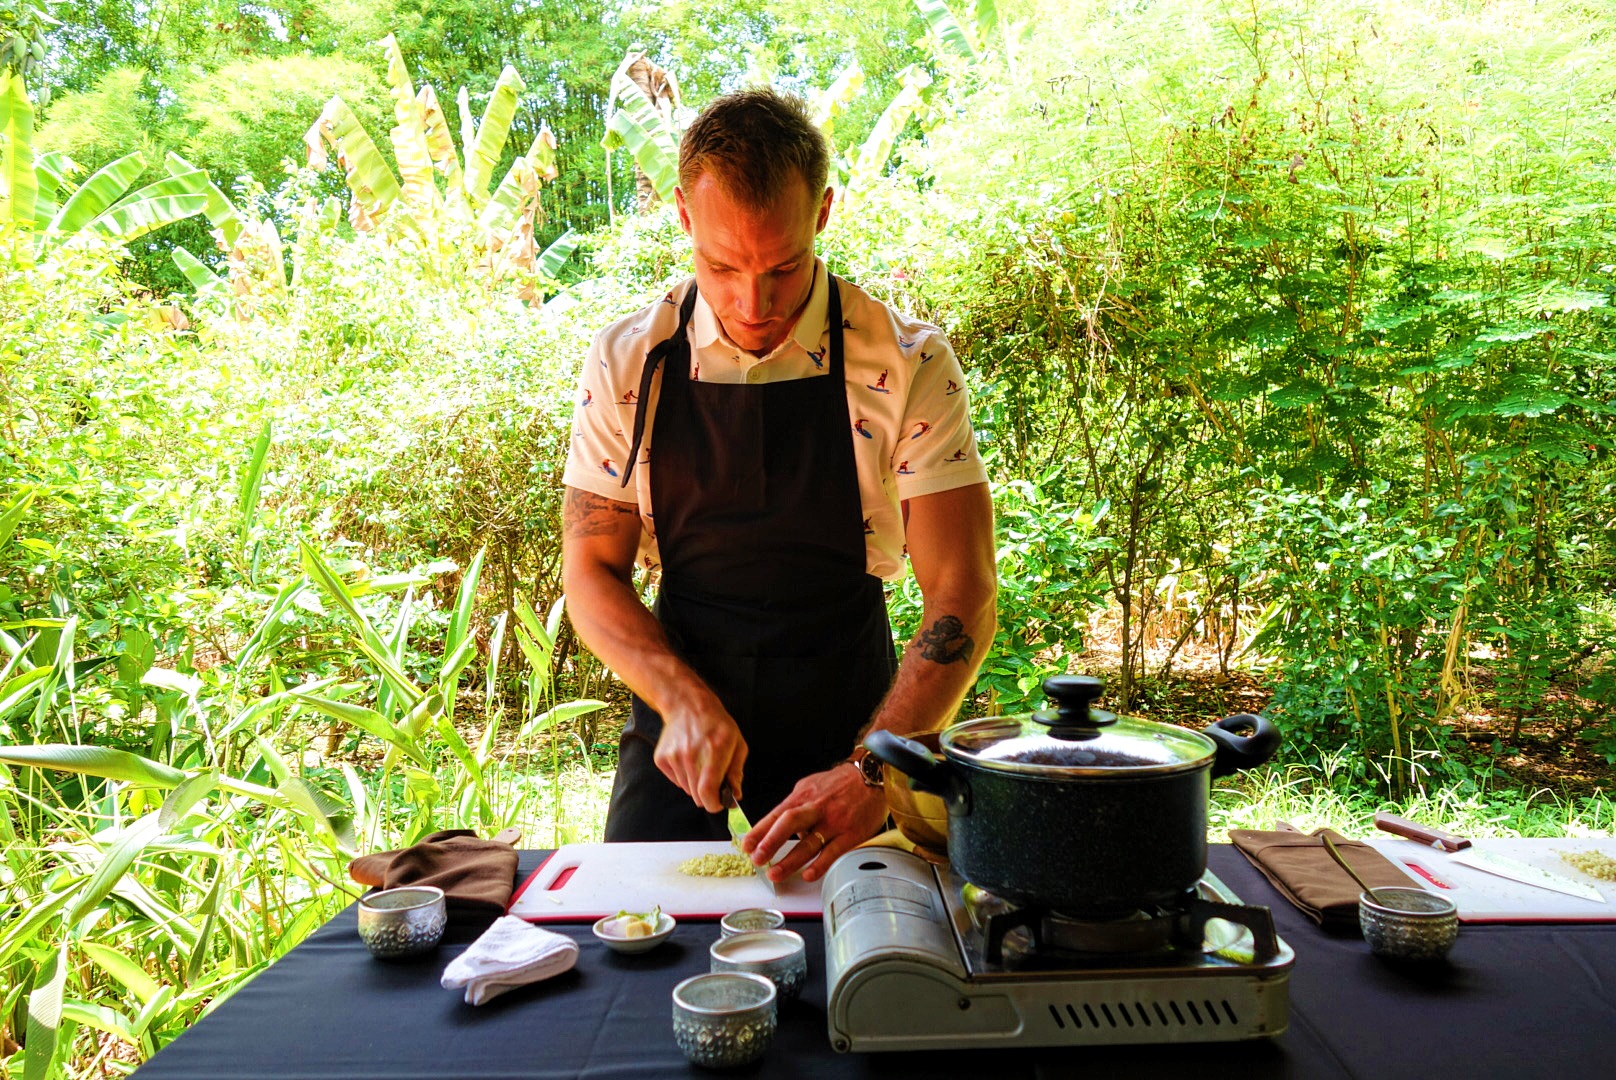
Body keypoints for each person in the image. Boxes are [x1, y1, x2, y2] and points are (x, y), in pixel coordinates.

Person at [559, 87, 995, 884]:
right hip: (677, 709)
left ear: (822, 213)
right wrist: (679, 699)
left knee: (862, 968)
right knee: (637, 962)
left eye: (782, 267)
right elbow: (590, 571)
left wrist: (877, 769)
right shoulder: (629, 362)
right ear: (686, 218)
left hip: (853, 709)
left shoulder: (905, 362)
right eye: (722, 267)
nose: (752, 303)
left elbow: (963, 592)